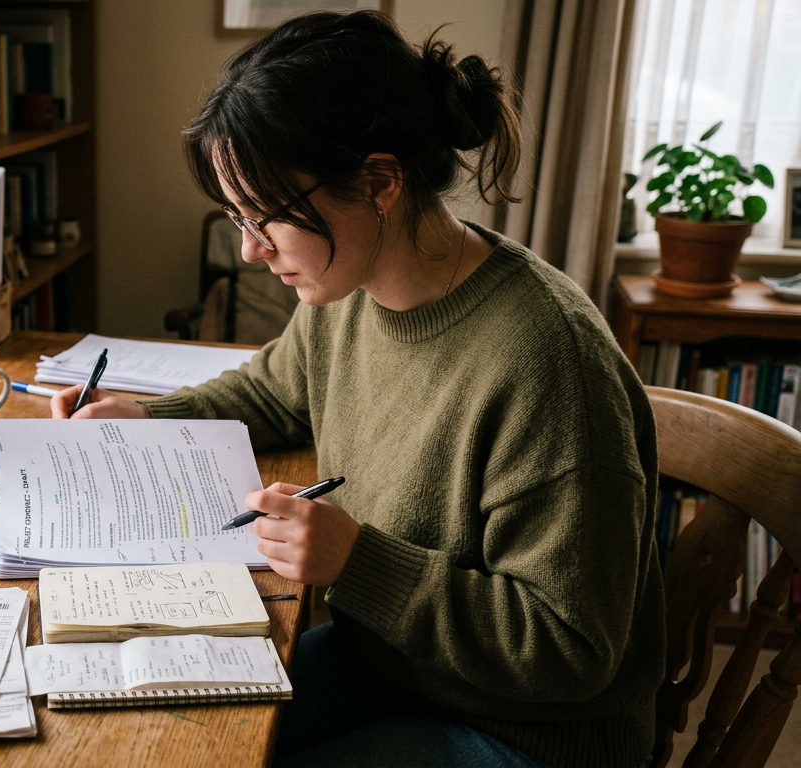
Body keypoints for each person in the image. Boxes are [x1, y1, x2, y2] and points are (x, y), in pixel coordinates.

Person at [51, 11, 664, 768]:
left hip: (529, 731)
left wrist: (359, 562)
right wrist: (140, 418)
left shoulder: (547, 361)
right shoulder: (352, 294)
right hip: (399, 667)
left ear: (378, 182)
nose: (248, 249)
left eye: (264, 216)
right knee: (152, 722)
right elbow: (271, 394)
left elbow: (570, 650)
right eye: (235, 216)